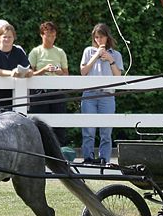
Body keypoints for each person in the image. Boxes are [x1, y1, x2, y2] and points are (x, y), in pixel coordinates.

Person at [79, 23, 124, 164]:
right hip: (90, 95)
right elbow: (83, 71)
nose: (99, 40)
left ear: (107, 37)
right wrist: (96, 56)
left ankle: (104, 158)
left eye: (102, 37)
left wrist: (110, 60)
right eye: (96, 37)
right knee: (89, 130)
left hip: (107, 96)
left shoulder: (116, 54)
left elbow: (118, 77)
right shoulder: (88, 51)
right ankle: (88, 157)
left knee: (106, 131)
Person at [28, 21, 69, 145]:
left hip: (57, 91)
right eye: (48, 35)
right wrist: (44, 70)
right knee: (40, 123)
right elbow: (29, 74)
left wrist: (59, 72)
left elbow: (66, 74)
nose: (51, 38)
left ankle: (59, 152)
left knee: (59, 125)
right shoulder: (35, 52)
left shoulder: (60, 52)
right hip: (40, 92)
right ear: (42, 35)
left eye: (53, 35)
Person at [0, 22, 32, 108]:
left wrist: (28, 73)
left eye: (10, 37)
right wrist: (11, 73)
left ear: (14, 38)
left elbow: (28, 67)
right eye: (4, 37)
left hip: (13, 98)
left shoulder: (18, 52)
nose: (7, 39)